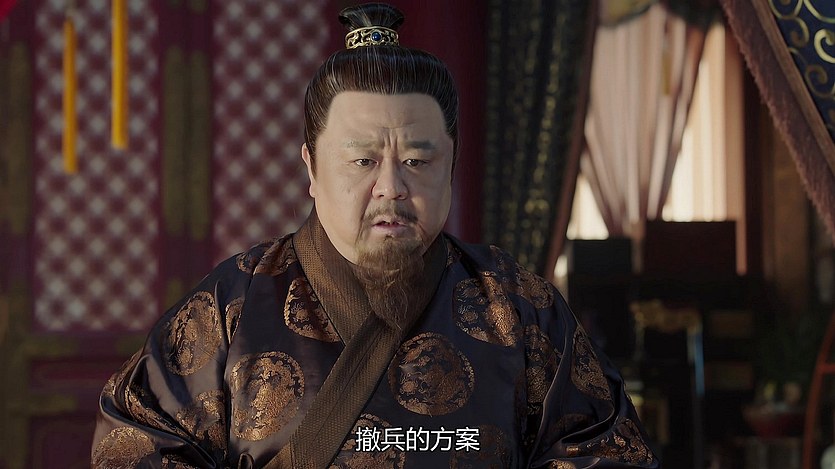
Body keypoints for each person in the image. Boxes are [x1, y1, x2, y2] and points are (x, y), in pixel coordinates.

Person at [91, 3, 659, 468]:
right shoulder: (229, 308)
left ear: (451, 164)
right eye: (362, 161)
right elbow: (137, 445)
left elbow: (606, 451)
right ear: (312, 168)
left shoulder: (520, 309)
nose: (391, 187)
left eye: (417, 160)